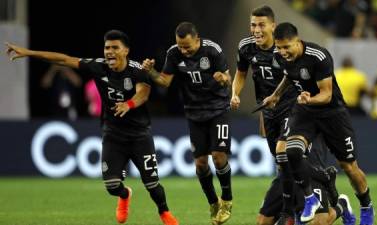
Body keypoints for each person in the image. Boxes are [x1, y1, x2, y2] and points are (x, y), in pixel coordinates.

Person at [5, 30, 179, 225]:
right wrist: (29, 53)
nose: (109, 52)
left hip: (140, 135)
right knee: (112, 186)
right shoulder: (99, 66)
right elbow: (64, 59)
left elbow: (143, 94)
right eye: (107, 48)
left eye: (115, 48)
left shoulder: (138, 69)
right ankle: (125, 195)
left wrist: (128, 104)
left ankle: (164, 213)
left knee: (152, 184)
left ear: (126, 50)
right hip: (113, 135)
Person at [262, 22, 374, 224]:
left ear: (298, 41)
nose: (282, 52)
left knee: (349, 167)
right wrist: (275, 95)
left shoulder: (319, 56)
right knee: (292, 151)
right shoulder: (281, 57)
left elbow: (326, 95)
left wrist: (309, 99)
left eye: (287, 47)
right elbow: (289, 75)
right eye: (279, 47)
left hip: (332, 113)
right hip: (306, 112)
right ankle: (310, 198)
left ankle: (366, 205)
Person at [142, 22, 233, 225]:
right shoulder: (174, 53)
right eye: (180, 46)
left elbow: (228, 77)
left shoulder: (212, 50)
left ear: (197, 38)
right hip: (194, 113)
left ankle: (226, 199)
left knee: (219, 157)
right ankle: (213, 203)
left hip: (218, 109)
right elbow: (165, 81)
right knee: (200, 164)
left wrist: (222, 78)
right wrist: (151, 72)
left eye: (187, 46)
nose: (184, 50)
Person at [230, 5, 299, 224]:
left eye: (261, 25)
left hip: (291, 107)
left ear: (273, 26)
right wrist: (235, 94)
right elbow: (241, 74)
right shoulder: (246, 47)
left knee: (284, 154)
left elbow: (295, 77)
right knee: (281, 164)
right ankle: (288, 205)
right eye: (253, 25)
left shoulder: (284, 48)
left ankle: (290, 211)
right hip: (268, 111)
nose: (256, 30)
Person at [258, 138, 357, 225]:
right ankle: (294, 213)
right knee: (264, 222)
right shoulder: (277, 119)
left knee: (319, 223)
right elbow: (266, 134)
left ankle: (342, 205)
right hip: (286, 172)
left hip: (311, 168)